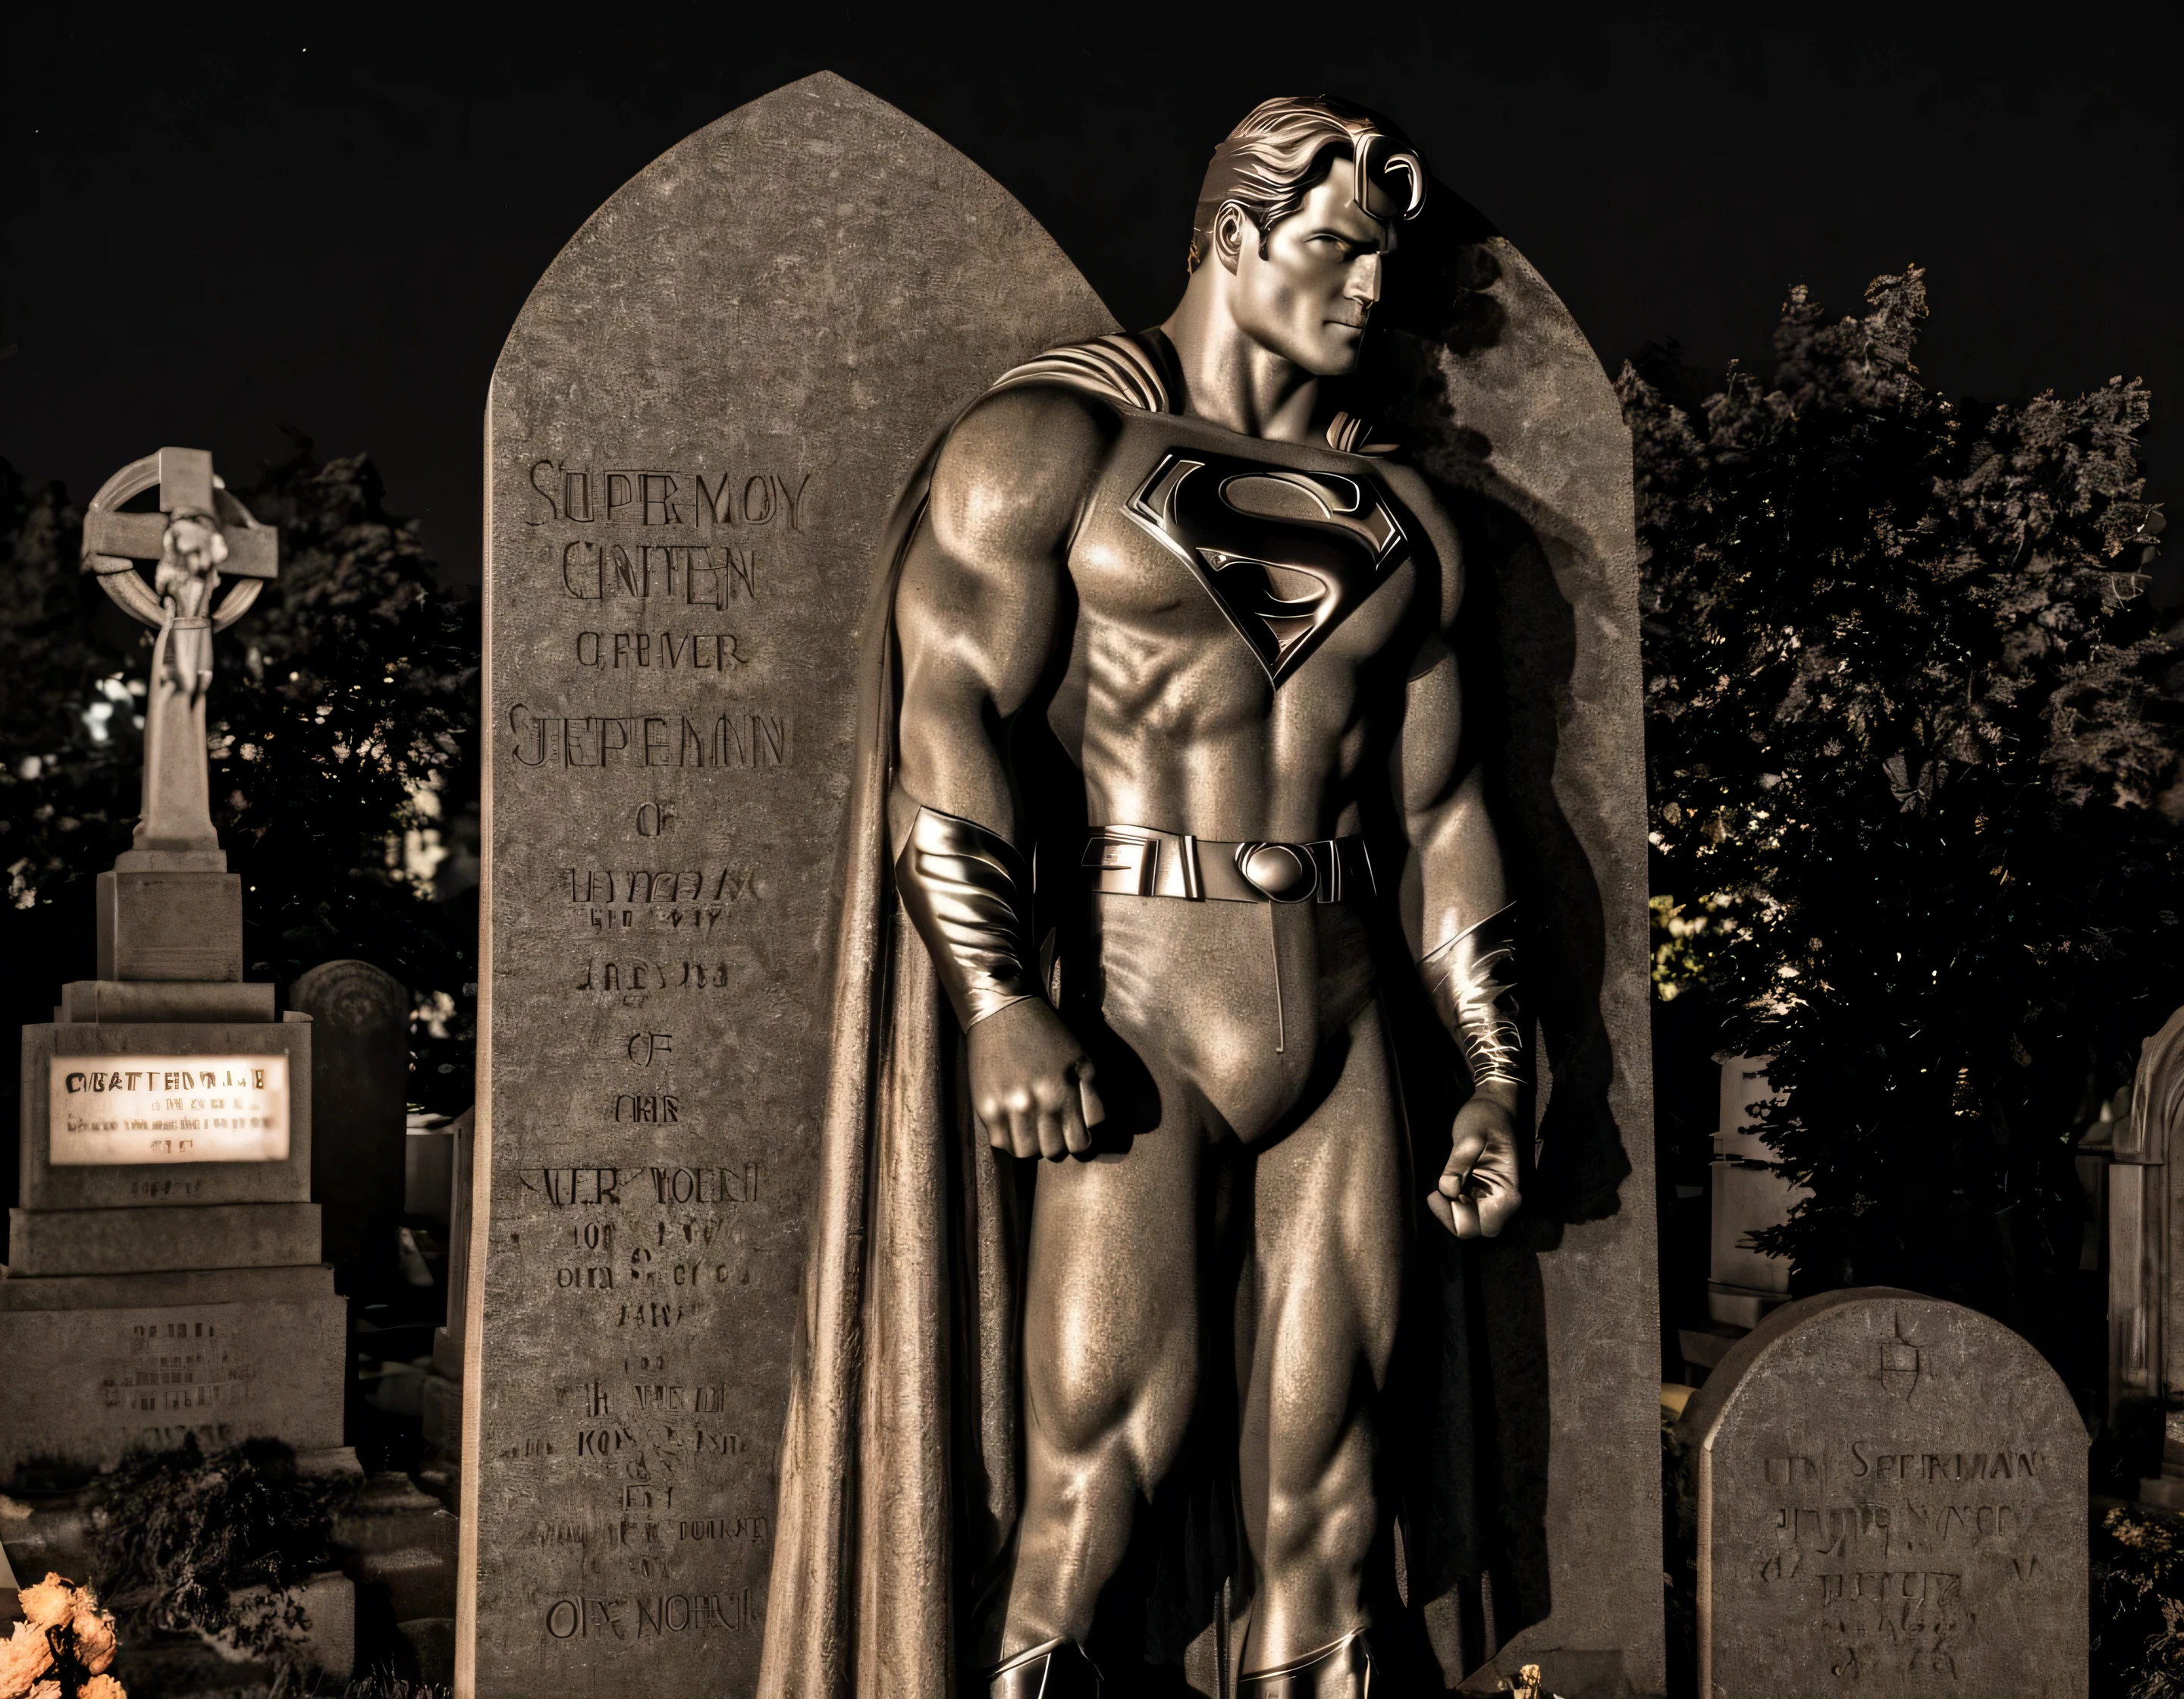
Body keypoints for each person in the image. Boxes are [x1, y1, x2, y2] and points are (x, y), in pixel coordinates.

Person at [884, 95, 1525, 1697]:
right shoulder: (1051, 449)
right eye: (1336, 249)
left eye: (1384, 261)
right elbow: (946, 718)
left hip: (1347, 1011)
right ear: (1234, 240)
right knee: (1095, 1476)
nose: (1371, 292)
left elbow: (1442, 809)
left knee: (1333, 1503)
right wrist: (999, 1000)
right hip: (1139, 998)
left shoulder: (1407, 522)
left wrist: (1506, 1072)